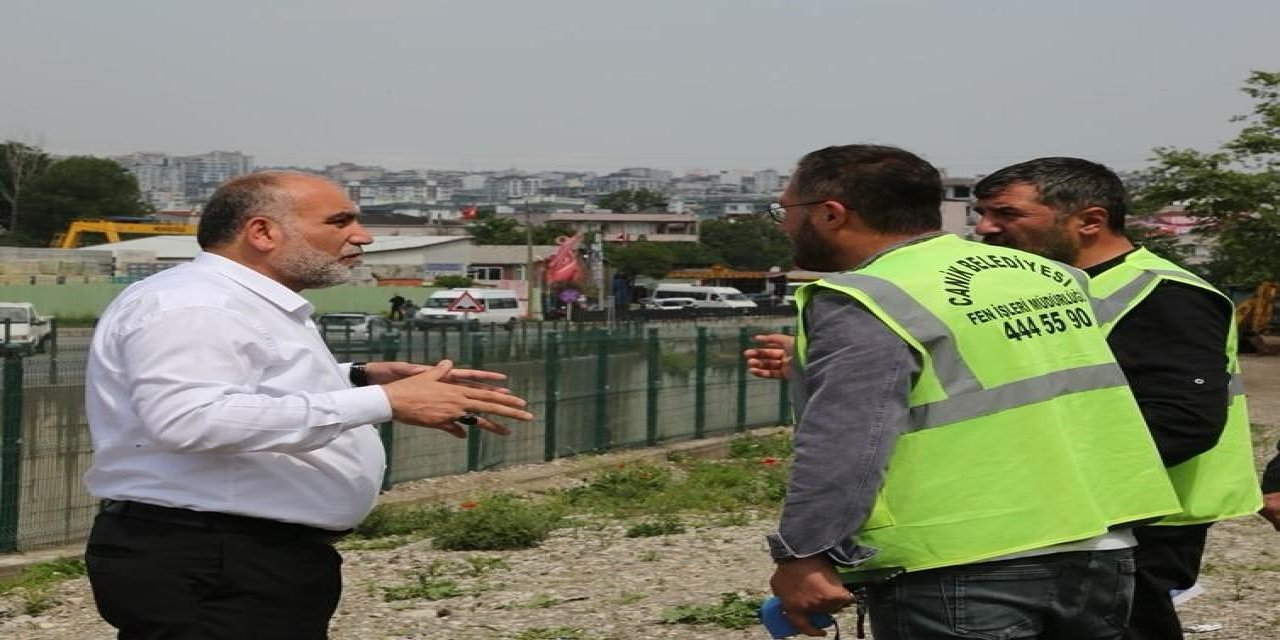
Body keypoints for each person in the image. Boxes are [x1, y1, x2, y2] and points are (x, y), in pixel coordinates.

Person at [749, 144, 1181, 639]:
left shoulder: (867, 298)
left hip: (962, 564)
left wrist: (802, 554)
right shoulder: (1049, 275)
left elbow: (845, 442)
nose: (782, 224)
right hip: (1099, 544)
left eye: (785, 209)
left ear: (830, 214)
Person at [82, 171, 534, 640]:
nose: (362, 236)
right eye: (340, 222)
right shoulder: (197, 306)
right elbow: (190, 419)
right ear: (262, 232)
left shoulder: (238, 302)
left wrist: (359, 377)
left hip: (239, 555)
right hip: (211, 556)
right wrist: (380, 401)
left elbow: (250, 383)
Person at [973, 157, 1262, 640]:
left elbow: (1182, 421)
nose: (985, 227)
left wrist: (1047, 480)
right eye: (982, 213)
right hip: (1083, 516)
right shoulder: (1052, 290)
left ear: (1090, 221)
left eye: (1006, 214)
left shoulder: (1164, 293)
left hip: (1144, 523)